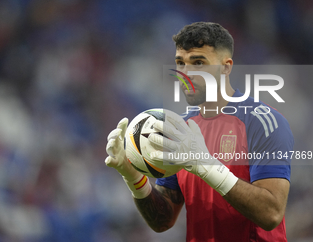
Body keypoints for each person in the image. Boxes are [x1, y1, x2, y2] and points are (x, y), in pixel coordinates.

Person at [105, 22, 293, 242]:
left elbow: (271, 214)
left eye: (198, 62)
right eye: (180, 63)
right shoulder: (179, 127)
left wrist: (207, 166)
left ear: (226, 67)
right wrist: (133, 176)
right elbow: (163, 220)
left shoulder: (263, 122)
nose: (185, 73)